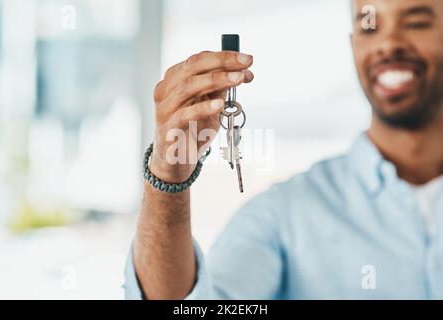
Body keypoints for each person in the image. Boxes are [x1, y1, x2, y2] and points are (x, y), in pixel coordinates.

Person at [124, 0, 443, 299]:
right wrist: (168, 178)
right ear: (353, 44)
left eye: (416, 23)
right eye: (369, 26)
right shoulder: (283, 214)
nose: (388, 44)